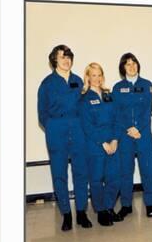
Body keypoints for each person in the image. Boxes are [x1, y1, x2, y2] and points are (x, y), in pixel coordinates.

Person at [37, 44, 92, 231]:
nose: (66, 60)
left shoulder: (78, 81)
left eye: (68, 57)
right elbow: (42, 113)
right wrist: (53, 127)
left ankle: (82, 212)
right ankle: (66, 214)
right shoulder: (47, 84)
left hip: (77, 130)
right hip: (57, 131)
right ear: (54, 61)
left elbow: (85, 108)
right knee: (59, 174)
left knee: (81, 173)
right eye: (62, 57)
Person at [113, 53, 152, 219]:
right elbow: (116, 112)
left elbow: (148, 110)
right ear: (123, 68)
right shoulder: (117, 88)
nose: (131, 67)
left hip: (143, 133)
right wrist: (129, 128)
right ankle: (126, 205)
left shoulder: (147, 85)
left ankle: (150, 204)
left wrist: (138, 128)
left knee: (148, 170)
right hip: (125, 135)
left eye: (134, 63)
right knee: (125, 171)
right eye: (127, 64)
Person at [79, 63, 122, 226]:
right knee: (96, 179)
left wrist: (115, 139)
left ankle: (109, 207)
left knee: (114, 178)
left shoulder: (108, 95)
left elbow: (118, 118)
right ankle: (101, 211)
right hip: (96, 145)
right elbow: (87, 125)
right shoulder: (84, 99)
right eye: (93, 75)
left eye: (99, 75)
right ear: (88, 77)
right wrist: (102, 142)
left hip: (113, 142)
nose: (97, 79)